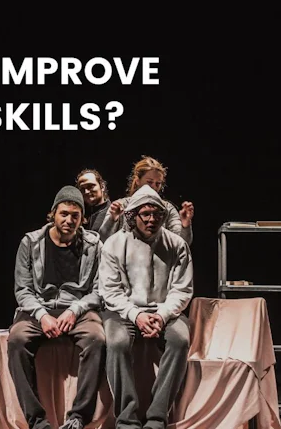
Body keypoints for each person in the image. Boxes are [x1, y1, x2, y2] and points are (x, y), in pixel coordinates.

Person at [8, 186, 106, 429]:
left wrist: (76, 310)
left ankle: (78, 417)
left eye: (75, 215)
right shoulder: (30, 243)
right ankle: (37, 421)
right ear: (52, 214)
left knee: (97, 339)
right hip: (38, 309)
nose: (69, 220)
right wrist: (42, 316)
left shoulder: (94, 245)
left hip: (78, 309)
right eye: (64, 214)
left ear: (82, 218)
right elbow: (23, 290)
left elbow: (100, 290)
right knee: (16, 341)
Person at [99, 184, 194, 429]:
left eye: (157, 214)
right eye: (146, 214)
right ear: (133, 216)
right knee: (117, 342)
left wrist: (161, 316)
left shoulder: (176, 244)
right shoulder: (113, 244)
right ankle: (127, 419)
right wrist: (136, 314)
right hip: (124, 312)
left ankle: (156, 417)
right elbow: (110, 291)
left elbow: (181, 290)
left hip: (166, 313)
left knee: (180, 340)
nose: (152, 219)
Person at [97, 156, 194, 246]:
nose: (153, 187)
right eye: (149, 182)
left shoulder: (167, 208)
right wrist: (112, 219)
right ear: (138, 180)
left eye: (158, 183)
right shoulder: (121, 205)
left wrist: (185, 225)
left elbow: (181, 244)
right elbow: (104, 240)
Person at [76, 169, 112, 233]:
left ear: (102, 186)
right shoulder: (79, 215)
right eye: (82, 189)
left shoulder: (113, 213)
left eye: (90, 186)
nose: (86, 192)